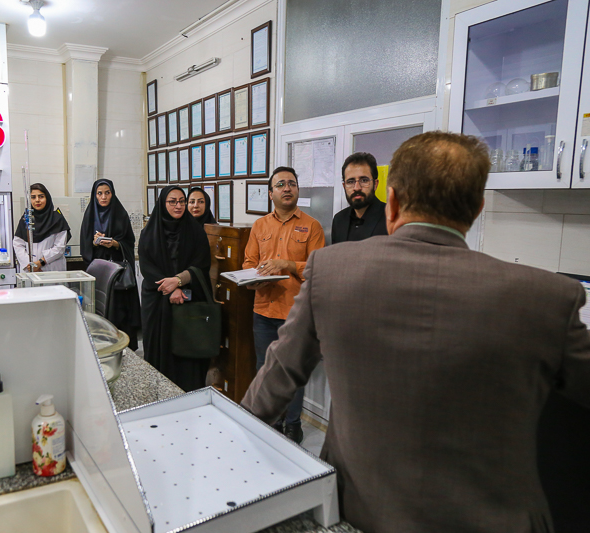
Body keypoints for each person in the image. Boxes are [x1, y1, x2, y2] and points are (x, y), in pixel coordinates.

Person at [241, 132, 590, 533]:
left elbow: (276, 377)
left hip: (359, 509)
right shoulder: (548, 298)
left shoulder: (330, 271)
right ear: (476, 208)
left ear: (390, 202)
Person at [242, 166, 325, 444]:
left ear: (297, 190)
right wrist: (252, 279)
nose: (287, 188)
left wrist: (286, 265)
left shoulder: (312, 226)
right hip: (264, 310)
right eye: (280, 184)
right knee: (265, 369)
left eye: (291, 183)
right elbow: (249, 263)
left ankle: (292, 424)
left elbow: (317, 268)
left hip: (296, 313)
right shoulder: (260, 226)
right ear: (270, 193)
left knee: (293, 371)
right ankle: (271, 421)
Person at [139, 186, 212, 392]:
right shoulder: (149, 232)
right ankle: (159, 393)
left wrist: (179, 282)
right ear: (163, 204)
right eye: (172, 201)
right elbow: (147, 266)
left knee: (187, 356)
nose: (178, 206)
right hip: (157, 300)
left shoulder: (195, 231)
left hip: (188, 300)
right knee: (159, 351)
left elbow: (201, 264)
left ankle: (189, 394)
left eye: (181, 201)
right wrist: (171, 288)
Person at [79, 179, 141, 350]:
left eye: (107, 193)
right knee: (101, 312)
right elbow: (84, 246)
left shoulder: (121, 214)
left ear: (112, 194)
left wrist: (114, 243)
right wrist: (94, 243)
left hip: (119, 276)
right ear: (94, 195)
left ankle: (125, 348)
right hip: (99, 272)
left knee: (119, 312)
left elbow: (129, 242)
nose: (104, 197)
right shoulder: (90, 215)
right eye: (99, 193)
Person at [331, 152, 388, 244]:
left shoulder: (391, 217)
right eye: (350, 181)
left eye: (364, 180)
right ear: (344, 186)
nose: (357, 188)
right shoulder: (339, 220)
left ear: (375, 184)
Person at [13, 183, 71, 272]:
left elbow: (60, 247)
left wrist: (41, 262)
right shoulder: (26, 219)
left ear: (47, 198)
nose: (37, 200)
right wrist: (29, 265)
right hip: (30, 270)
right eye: (33, 197)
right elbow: (18, 244)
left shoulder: (57, 219)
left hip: (52, 270)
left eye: (41, 196)